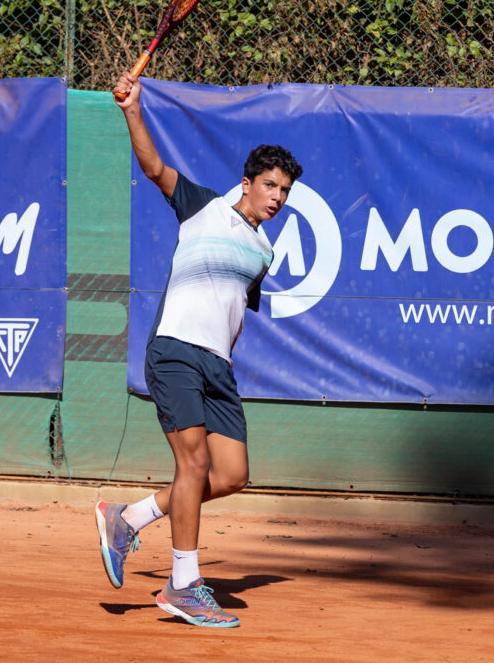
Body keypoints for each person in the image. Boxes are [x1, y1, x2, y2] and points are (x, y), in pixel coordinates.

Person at [95, 70, 303, 628]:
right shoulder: (203, 207)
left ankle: (127, 518)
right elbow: (153, 167)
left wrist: (222, 360)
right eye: (271, 186)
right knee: (194, 463)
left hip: (217, 365)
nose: (278, 198)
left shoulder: (264, 253)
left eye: (285, 191)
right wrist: (131, 110)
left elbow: (233, 315)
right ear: (246, 183)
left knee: (231, 474)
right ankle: (183, 584)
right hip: (175, 351)